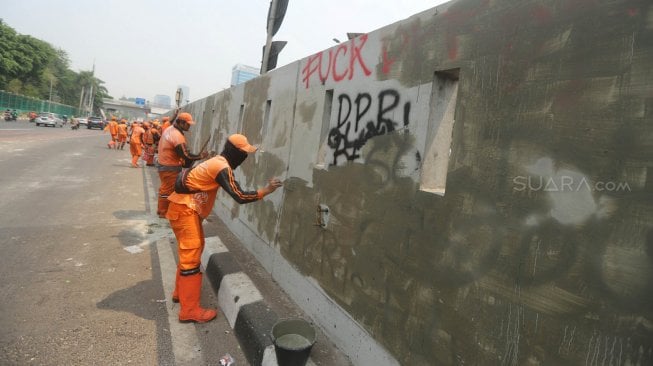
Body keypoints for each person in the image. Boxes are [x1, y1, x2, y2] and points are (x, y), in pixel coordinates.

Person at [166, 133, 283, 323]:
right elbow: (240, 196)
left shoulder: (217, 161)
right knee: (191, 255)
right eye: (243, 153)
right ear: (234, 152)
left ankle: (180, 293)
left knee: (192, 252)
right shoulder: (222, 167)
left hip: (185, 209)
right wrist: (265, 191)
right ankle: (189, 311)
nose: (245, 157)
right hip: (186, 210)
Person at [156, 112, 206, 218]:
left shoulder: (169, 128)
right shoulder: (177, 136)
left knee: (166, 188)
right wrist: (200, 156)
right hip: (169, 166)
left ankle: (162, 210)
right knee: (167, 190)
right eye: (188, 124)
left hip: (164, 163)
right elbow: (186, 155)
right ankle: (163, 212)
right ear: (181, 123)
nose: (189, 126)